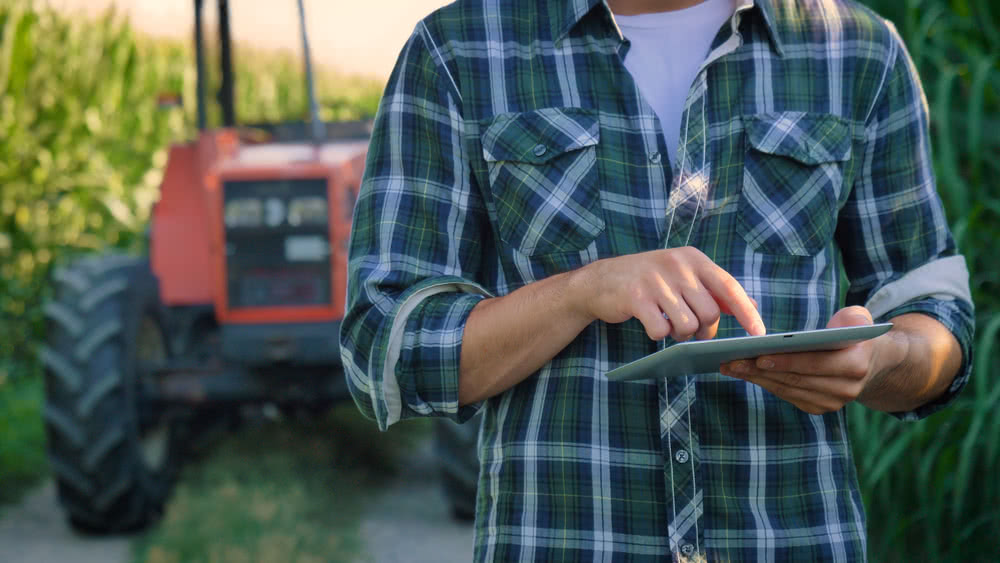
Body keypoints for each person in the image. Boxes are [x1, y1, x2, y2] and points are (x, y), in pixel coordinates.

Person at [340, 0, 975, 560]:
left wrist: (882, 359)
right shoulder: (458, 50)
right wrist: (581, 292)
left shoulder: (856, 51)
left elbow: (935, 316)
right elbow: (386, 351)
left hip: (795, 538)